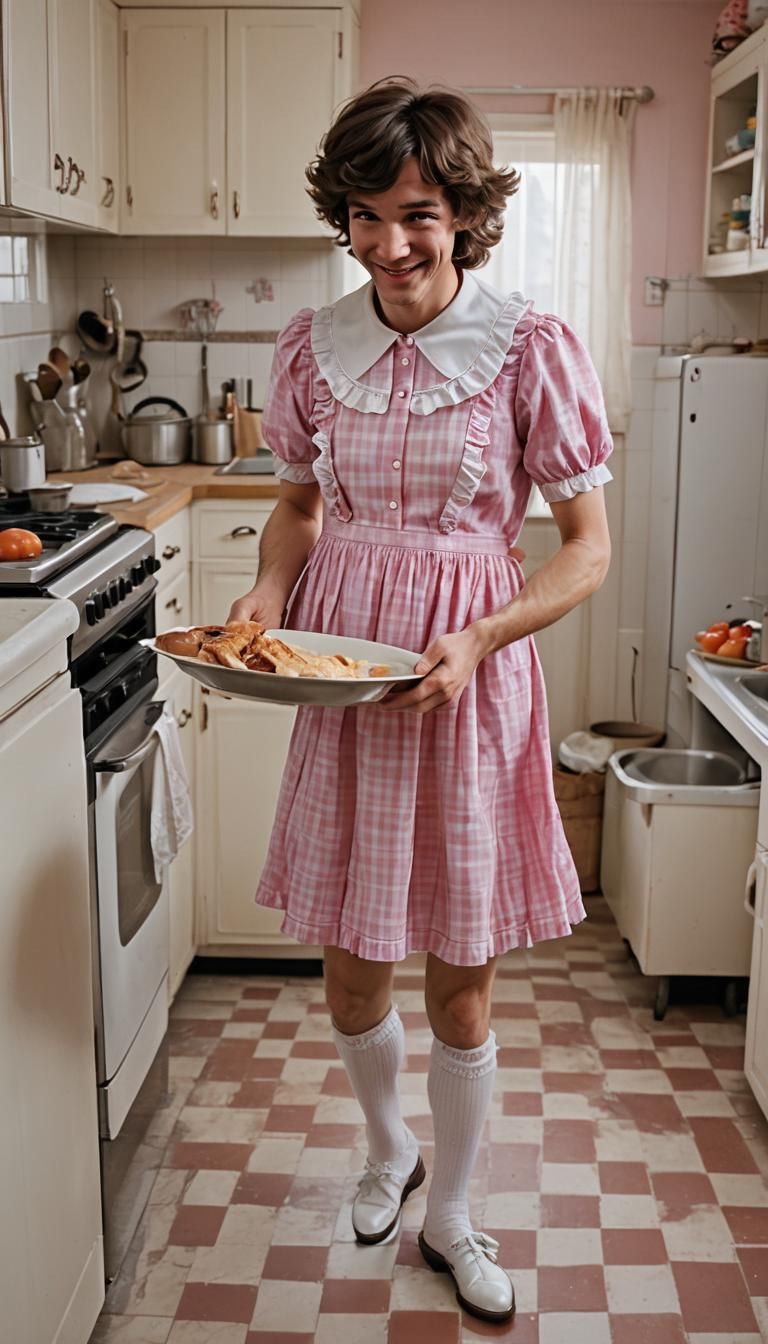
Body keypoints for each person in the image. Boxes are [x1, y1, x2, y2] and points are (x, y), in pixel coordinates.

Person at [229, 77, 613, 1325]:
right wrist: (264, 595)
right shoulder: (314, 344)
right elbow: (298, 506)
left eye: (418, 216)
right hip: (346, 678)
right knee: (351, 975)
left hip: (467, 686)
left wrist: (482, 635)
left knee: (460, 984)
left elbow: (588, 548)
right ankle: (388, 1146)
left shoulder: (527, 345)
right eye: (365, 215)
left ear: (465, 217)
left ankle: (452, 1208)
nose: (389, 245)